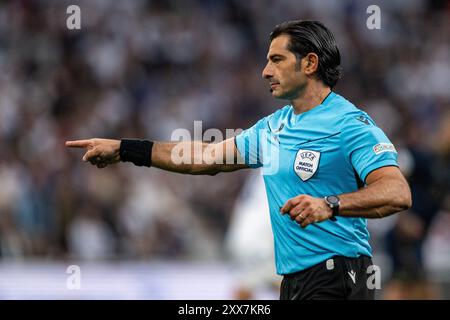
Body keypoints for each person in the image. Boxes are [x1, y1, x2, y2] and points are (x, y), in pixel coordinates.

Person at [66, 20, 412, 300]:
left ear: (310, 63)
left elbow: (397, 192)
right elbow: (204, 156)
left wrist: (330, 204)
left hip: (340, 274)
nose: (265, 71)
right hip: (295, 279)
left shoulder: (349, 124)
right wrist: (126, 149)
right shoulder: (274, 127)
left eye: (277, 60)